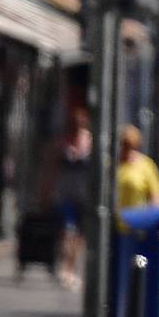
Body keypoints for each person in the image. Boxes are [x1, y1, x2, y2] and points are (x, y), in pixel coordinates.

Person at [46, 106, 93, 283]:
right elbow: (51, 166)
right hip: (65, 193)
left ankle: (72, 268)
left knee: (79, 235)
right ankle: (64, 266)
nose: (75, 126)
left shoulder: (89, 141)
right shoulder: (63, 142)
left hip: (82, 194)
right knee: (67, 231)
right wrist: (47, 190)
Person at [113, 124, 159, 212]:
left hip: (136, 222)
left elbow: (157, 198)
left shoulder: (146, 165)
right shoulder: (115, 165)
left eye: (130, 147)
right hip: (114, 222)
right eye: (124, 146)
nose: (126, 151)